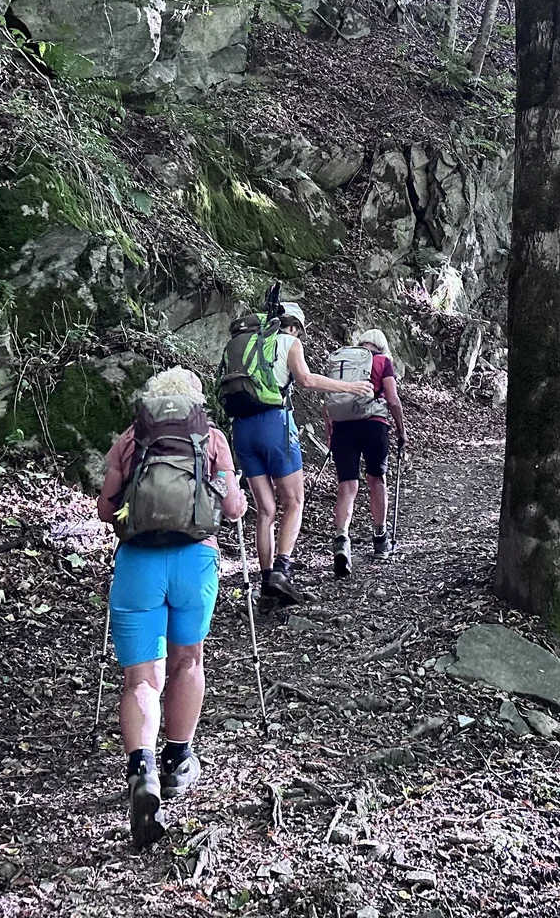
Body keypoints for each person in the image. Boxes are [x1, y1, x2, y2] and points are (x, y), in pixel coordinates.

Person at [97, 367, 247, 847]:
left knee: (140, 677)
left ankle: (142, 769)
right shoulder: (213, 438)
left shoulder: (129, 440)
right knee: (188, 660)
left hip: (138, 565)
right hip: (195, 564)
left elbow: (105, 510)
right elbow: (234, 509)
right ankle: (179, 760)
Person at [227, 300, 371, 603]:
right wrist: (352, 388)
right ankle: (282, 570)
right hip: (273, 424)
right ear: (293, 326)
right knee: (294, 500)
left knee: (265, 509)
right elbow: (305, 380)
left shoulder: (247, 344)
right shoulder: (288, 342)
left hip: (242, 428)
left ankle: (266, 582)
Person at [322, 329, 405, 576]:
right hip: (373, 426)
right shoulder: (382, 362)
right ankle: (380, 539)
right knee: (376, 480)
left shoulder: (343, 362)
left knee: (347, 486)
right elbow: (392, 399)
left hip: (342, 429)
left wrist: (330, 434)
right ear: (382, 346)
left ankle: (341, 541)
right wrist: (402, 430)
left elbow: (328, 402)